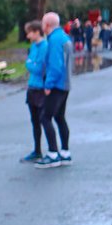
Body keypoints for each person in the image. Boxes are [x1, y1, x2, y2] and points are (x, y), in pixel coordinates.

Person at [36, 10, 72, 168]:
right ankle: (65, 152)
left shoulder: (54, 40)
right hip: (65, 84)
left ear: (47, 25)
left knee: (45, 117)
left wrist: (48, 85)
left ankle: (52, 153)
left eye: (43, 23)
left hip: (56, 85)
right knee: (59, 117)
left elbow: (55, 65)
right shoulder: (64, 37)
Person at [21, 20, 47, 163]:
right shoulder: (33, 47)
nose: (27, 35)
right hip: (32, 87)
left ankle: (52, 151)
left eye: (29, 32)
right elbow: (30, 63)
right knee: (34, 121)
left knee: (44, 120)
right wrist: (31, 64)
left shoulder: (44, 46)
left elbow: (38, 68)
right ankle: (37, 150)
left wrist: (30, 64)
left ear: (37, 32)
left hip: (40, 88)